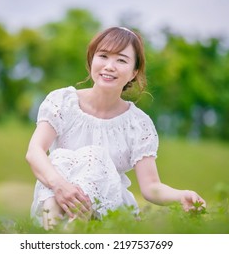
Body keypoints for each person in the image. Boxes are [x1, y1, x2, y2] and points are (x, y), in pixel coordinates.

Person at [25, 26, 206, 230]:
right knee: (59, 159)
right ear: (92, 60)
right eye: (103, 56)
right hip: (56, 199)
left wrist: (180, 195)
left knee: (95, 157)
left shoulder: (138, 124)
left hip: (108, 214)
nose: (109, 66)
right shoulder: (63, 102)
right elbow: (35, 152)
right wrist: (60, 186)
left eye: (121, 60)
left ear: (133, 73)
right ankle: (55, 232)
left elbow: (151, 187)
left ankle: (72, 233)